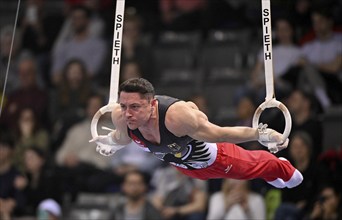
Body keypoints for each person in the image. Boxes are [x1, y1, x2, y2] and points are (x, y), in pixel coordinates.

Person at [90, 78, 303, 189]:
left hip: (217, 158)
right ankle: (270, 174)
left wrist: (260, 134)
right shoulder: (122, 117)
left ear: (152, 104)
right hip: (186, 168)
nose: (128, 113)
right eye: (124, 106)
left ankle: (281, 167)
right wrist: (110, 141)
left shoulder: (176, 119)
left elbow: (221, 134)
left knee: (254, 168)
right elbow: (123, 138)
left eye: (135, 107)